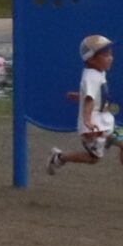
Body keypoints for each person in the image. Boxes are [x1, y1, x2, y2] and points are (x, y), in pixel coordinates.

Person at [48, 34, 115, 175]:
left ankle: (59, 158)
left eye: (111, 54)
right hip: (94, 129)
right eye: (105, 55)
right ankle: (60, 158)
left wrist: (80, 96)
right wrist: (87, 120)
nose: (111, 58)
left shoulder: (98, 72)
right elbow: (90, 100)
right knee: (93, 159)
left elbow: (92, 96)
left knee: (116, 142)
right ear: (91, 59)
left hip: (103, 124)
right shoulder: (92, 77)